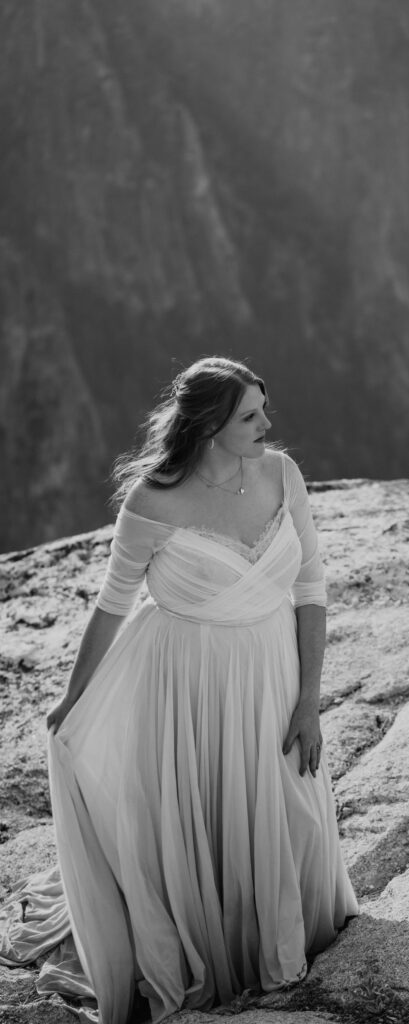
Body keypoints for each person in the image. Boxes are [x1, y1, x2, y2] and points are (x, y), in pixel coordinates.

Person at [0, 356, 358, 1023]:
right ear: (208, 426)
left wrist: (308, 700)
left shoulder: (281, 473)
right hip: (185, 682)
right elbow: (112, 604)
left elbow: (309, 588)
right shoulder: (153, 501)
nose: (267, 424)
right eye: (250, 415)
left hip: (272, 672)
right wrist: (72, 700)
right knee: (200, 812)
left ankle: (266, 937)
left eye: (262, 408)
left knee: (282, 809)